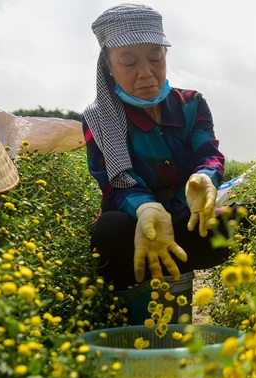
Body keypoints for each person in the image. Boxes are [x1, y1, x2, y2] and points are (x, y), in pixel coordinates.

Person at [82, 3, 238, 324]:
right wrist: (145, 209)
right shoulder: (99, 120)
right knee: (109, 229)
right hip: (139, 233)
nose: (146, 72)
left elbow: (208, 152)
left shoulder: (191, 103)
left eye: (156, 58)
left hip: (189, 225)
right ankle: (142, 326)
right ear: (109, 66)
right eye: (128, 61)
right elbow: (113, 184)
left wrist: (205, 179)